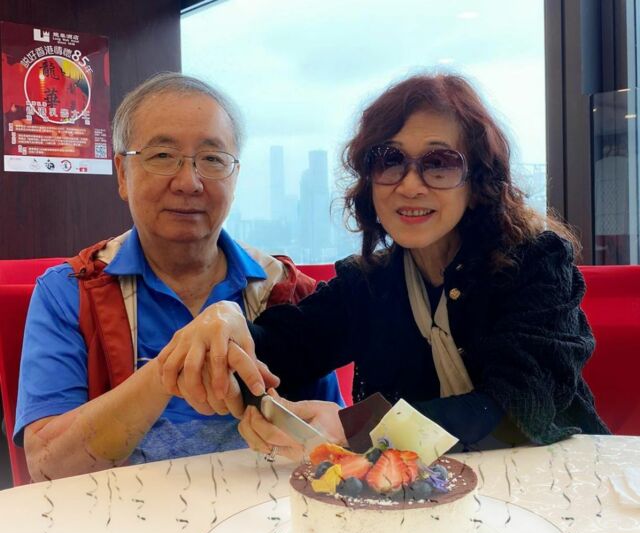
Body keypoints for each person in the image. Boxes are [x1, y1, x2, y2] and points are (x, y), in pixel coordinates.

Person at [157, 73, 608, 459]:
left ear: (477, 181)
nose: (410, 186)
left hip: (550, 483)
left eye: (439, 163)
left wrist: (357, 428)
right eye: (390, 160)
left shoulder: (536, 262)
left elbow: (519, 410)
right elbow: (285, 349)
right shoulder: (370, 283)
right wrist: (227, 326)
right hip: (421, 497)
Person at [15, 72, 341, 481]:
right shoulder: (70, 291)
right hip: (119, 515)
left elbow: (333, 443)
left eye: (213, 159)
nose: (189, 182)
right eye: (162, 156)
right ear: (122, 173)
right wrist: (169, 370)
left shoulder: (285, 290)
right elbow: (49, 467)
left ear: (235, 177)